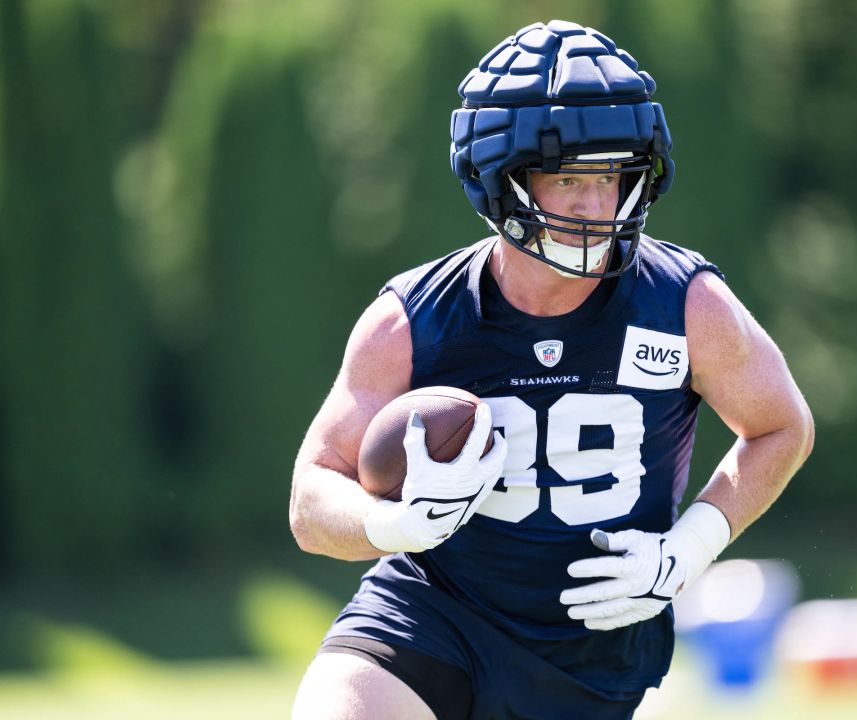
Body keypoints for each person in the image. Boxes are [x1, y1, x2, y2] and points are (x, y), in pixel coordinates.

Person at [288, 19, 814, 720]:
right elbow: (311, 496)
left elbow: (783, 426)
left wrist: (691, 547)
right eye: (570, 178)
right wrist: (392, 526)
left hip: (595, 648)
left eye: (613, 174)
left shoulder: (685, 304)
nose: (597, 204)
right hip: (436, 613)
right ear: (502, 179)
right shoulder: (413, 318)